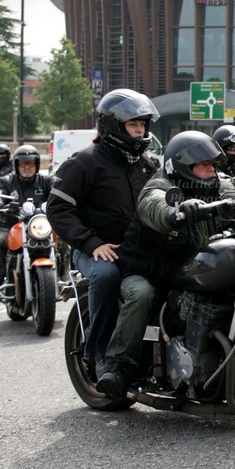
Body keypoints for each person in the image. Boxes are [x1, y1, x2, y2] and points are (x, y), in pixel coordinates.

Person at [95, 131, 235, 399]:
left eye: (214, 164)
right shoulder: (159, 185)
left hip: (187, 273)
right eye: (203, 164)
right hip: (145, 271)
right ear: (182, 165)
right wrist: (175, 212)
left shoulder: (214, 184)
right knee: (141, 294)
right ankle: (118, 366)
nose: (211, 169)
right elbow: (154, 205)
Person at [46, 89, 160, 378]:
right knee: (106, 275)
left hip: (135, 250)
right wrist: (90, 242)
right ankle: (99, 354)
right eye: (133, 124)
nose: (140, 131)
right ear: (112, 125)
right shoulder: (85, 162)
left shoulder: (148, 166)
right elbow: (58, 208)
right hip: (94, 249)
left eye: (143, 125)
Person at [0, 145, 54, 296]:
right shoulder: (6, 181)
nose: (27, 167)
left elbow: (58, 190)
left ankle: (63, 275)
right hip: (12, 224)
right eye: (23, 164)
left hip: (39, 224)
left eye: (31, 164)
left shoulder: (46, 181)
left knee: (62, 240)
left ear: (37, 165)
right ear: (17, 165)